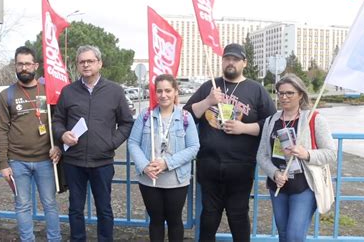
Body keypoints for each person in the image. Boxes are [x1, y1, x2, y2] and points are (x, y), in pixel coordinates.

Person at [183, 43, 277, 241]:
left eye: (235, 59)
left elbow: (272, 124)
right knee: (209, 215)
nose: (230, 62)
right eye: (227, 58)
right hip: (209, 164)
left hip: (240, 165)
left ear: (244, 63)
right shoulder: (209, 86)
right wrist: (207, 101)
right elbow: (186, 117)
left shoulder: (256, 89)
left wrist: (245, 128)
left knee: (238, 215)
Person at [52, 45, 134, 241]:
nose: (86, 65)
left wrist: (111, 142)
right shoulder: (68, 91)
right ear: (78, 65)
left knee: (104, 209)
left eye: (90, 61)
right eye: (82, 62)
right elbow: (57, 120)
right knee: (75, 209)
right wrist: (62, 135)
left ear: (99, 63)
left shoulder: (114, 91)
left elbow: (126, 123)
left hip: (103, 162)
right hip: (74, 161)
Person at [257, 74, 336, 242]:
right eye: (280, 93)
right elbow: (262, 155)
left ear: (300, 94)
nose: (284, 97)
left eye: (289, 93)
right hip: (278, 185)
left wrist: (306, 154)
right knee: (284, 235)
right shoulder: (271, 121)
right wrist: (275, 174)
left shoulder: (314, 119)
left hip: (304, 187)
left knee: (294, 236)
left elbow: (331, 153)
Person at [0, 46, 62, 242]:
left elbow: (59, 121)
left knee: (50, 204)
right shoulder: (6, 95)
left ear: (36, 65)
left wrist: (57, 145)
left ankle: (54, 239)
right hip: (17, 162)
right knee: (22, 205)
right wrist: (3, 163)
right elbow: (1, 130)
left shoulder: (49, 91)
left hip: (46, 160)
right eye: (20, 64)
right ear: (15, 66)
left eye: (27, 63)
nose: (24, 68)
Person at [128, 74, 200, 242]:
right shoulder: (145, 116)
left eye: (168, 90)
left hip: (176, 180)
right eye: (159, 91)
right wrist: (144, 165)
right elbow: (132, 142)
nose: (163, 95)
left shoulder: (185, 117)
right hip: (149, 180)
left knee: (175, 221)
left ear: (176, 92)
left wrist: (167, 163)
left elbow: (194, 147)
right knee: (156, 221)